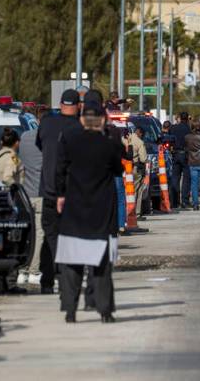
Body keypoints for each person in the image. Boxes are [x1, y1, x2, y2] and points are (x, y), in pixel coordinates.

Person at [55, 100, 122, 324]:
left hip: (75, 208)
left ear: (82, 119)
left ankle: (70, 309)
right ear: (103, 120)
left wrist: (60, 195)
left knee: (72, 263)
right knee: (101, 265)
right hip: (101, 210)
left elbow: (59, 169)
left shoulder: (69, 141)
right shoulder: (109, 145)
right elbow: (118, 170)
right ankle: (105, 311)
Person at [36, 88, 82, 294]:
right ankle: (64, 276)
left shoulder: (46, 123)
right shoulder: (80, 127)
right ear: (78, 106)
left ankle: (47, 280)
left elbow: (40, 145)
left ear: (61, 105)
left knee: (50, 236)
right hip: (72, 193)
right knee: (66, 238)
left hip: (48, 191)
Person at [18, 112, 45, 287]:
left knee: (25, 234)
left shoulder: (24, 137)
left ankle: (22, 270)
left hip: (24, 194)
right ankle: (34, 270)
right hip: (41, 193)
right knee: (39, 234)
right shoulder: (47, 141)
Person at [169, 113, 193, 208]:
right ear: (187, 118)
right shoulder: (188, 128)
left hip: (175, 154)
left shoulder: (173, 128)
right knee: (186, 179)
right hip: (185, 155)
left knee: (175, 178)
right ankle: (185, 201)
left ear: (179, 118)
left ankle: (175, 202)